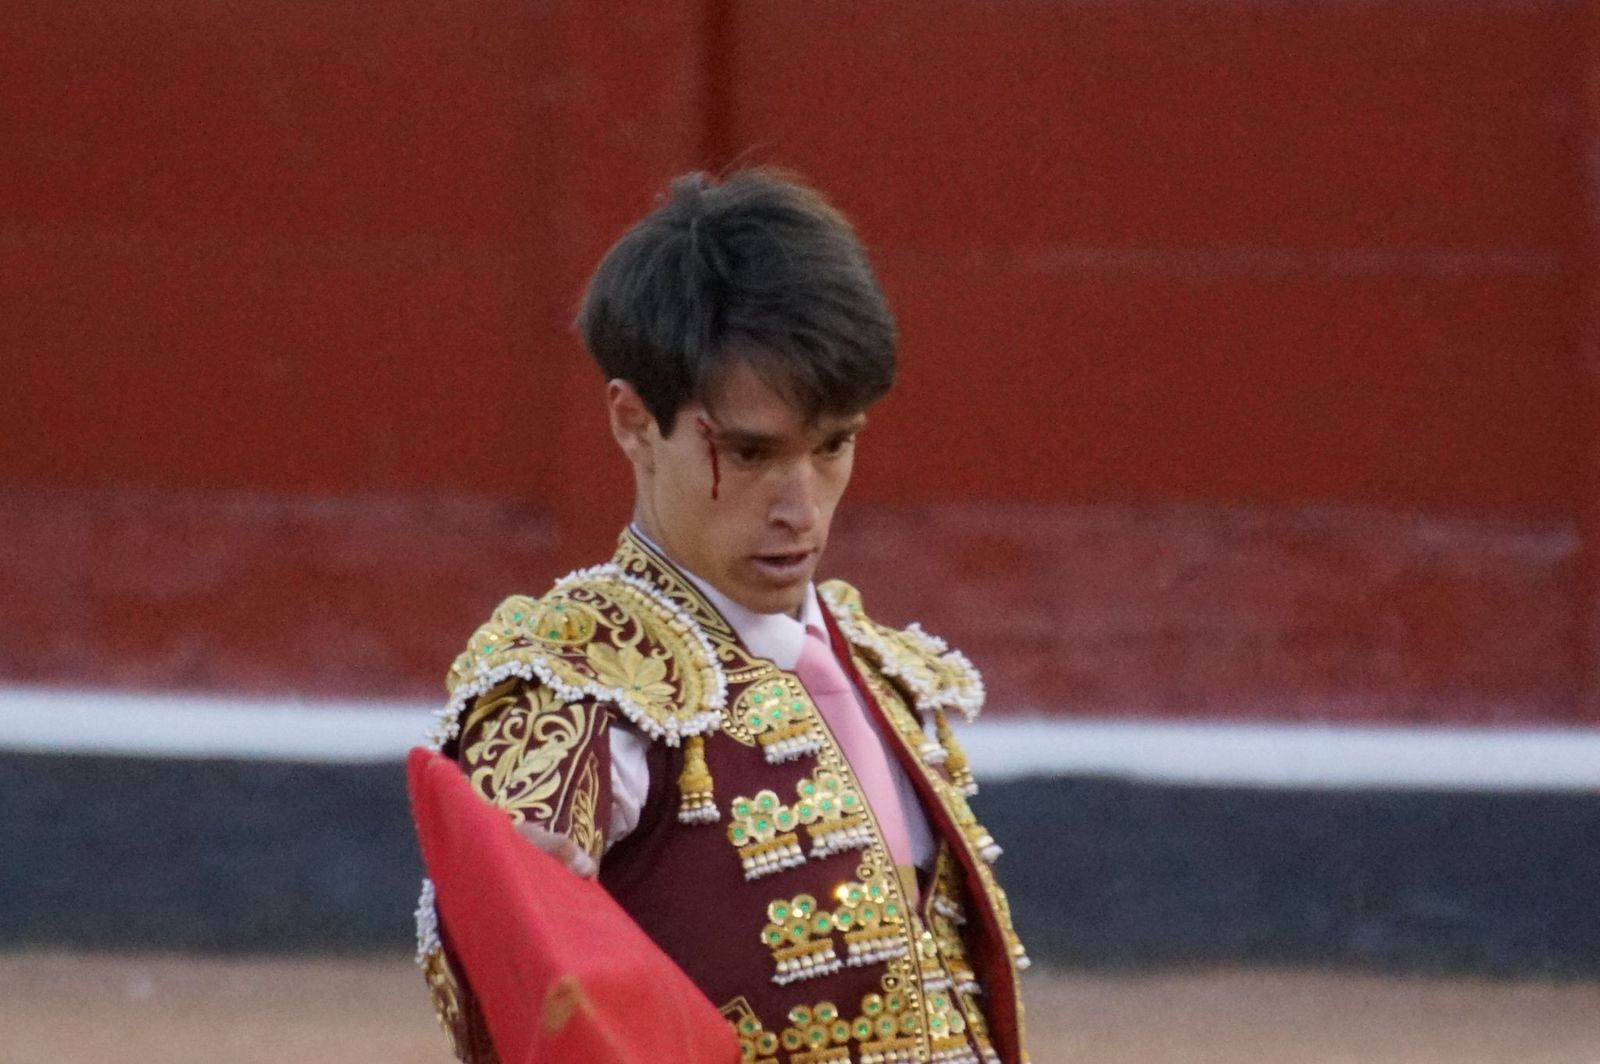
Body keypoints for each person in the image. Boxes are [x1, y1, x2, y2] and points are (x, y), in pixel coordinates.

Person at [414, 169, 1030, 1064]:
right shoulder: (579, 683)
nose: (800, 507)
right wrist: (514, 892)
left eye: (834, 446)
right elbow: (503, 952)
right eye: (749, 453)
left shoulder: (881, 667)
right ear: (633, 421)